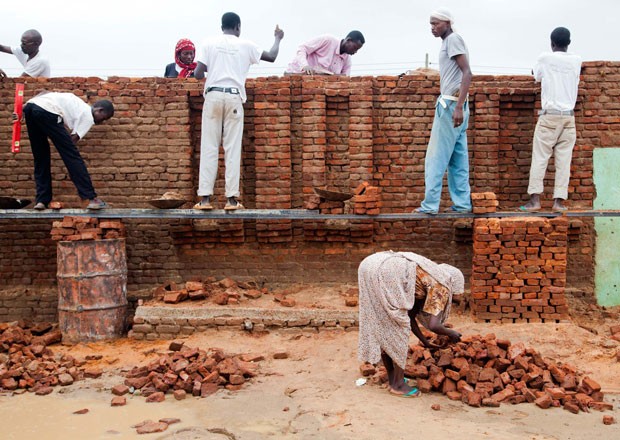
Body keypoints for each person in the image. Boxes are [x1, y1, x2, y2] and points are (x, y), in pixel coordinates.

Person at [193, 12, 284, 210]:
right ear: (238, 27)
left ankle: (205, 200)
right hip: (234, 97)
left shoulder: (209, 43)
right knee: (232, 149)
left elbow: (198, 74)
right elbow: (272, 56)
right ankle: (231, 200)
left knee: (209, 147)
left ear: (222, 27)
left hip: (213, 96)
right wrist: (278, 38)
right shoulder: (246, 45)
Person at [358, 251, 464, 397]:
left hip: (371, 264)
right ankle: (399, 385)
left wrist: (424, 340)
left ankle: (392, 379)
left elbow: (410, 316)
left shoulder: (423, 280)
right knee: (399, 330)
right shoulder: (442, 284)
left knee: (386, 329)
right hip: (388, 269)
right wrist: (451, 333)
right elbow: (434, 325)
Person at [415, 9, 472, 215]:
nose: (432, 28)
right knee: (458, 158)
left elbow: (467, 73)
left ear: (447, 23)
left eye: (436, 24)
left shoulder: (453, 39)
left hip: (451, 105)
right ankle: (463, 205)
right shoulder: (449, 41)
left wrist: (457, 106)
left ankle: (429, 206)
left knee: (435, 158)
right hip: (457, 105)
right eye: (431, 24)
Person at [520, 27, 582, 212]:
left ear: (551, 43)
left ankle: (535, 201)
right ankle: (558, 203)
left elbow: (536, 76)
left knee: (540, 157)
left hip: (549, 117)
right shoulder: (577, 61)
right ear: (568, 43)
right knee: (564, 161)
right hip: (569, 118)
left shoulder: (545, 58)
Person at [20, 92, 114, 210]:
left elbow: (43, 94)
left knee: (41, 157)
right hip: (49, 112)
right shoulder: (88, 116)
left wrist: (23, 108)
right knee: (72, 157)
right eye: (104, 118)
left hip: (30, 108)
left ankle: (42, 201)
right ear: (99, 110)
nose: (102, 121)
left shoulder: (76, 103)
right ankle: (91, 198)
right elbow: (71, 142)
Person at [285, 31, 365, 75]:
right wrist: (305, 65)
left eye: (357, 50)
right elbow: (303, 48)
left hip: (313, 87)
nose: (355, 52)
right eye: (355, 48)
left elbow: (345, 79)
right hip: (294, 74)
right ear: (348, 40)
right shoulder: (328, 40)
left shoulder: (347, 60)